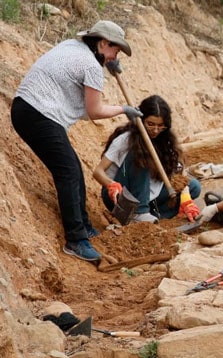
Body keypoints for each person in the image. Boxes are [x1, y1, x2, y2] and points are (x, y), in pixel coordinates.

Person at [11, 20, 141, 262]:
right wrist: (123, 109)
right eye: (115, 50)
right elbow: (94, 111)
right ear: (103, 43)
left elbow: (80, 107)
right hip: (39, 113)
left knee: (72, 167)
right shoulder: (91, 65)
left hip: (26, 108)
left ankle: (84, 226)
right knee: (68, 172)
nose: (116, 56)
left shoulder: (71, 46)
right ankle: (76, 240)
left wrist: (108, 69)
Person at [92, 95, 201, 223]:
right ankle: (139, 213)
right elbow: (98, 172)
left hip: (148, 196)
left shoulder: (165, 141)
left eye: (161, 126)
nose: (155, 130)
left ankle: (154, 216)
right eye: (150, 124)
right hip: (122, 197)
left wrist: (186, 197)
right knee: (142, 154)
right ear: (141, 120)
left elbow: (178, 174)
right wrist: (111, 185)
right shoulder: (126, 140)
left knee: (194, 186)